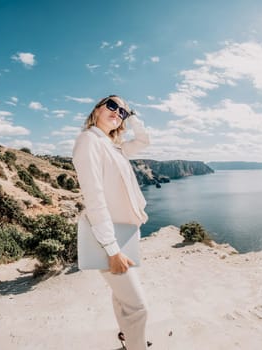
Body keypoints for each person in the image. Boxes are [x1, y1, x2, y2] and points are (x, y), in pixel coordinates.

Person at [72, 94, 151, 350]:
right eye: (112, 105)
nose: (117, 112)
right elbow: (94, 199)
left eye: (123, 112)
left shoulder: (113, 145)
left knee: (123, 296)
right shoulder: (89, 141)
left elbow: (144, 140)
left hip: (125, 232)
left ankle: (128, 338)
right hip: (111, 239)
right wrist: (112, 249)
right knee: (138, 306)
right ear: (97, 109)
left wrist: (134, 116)